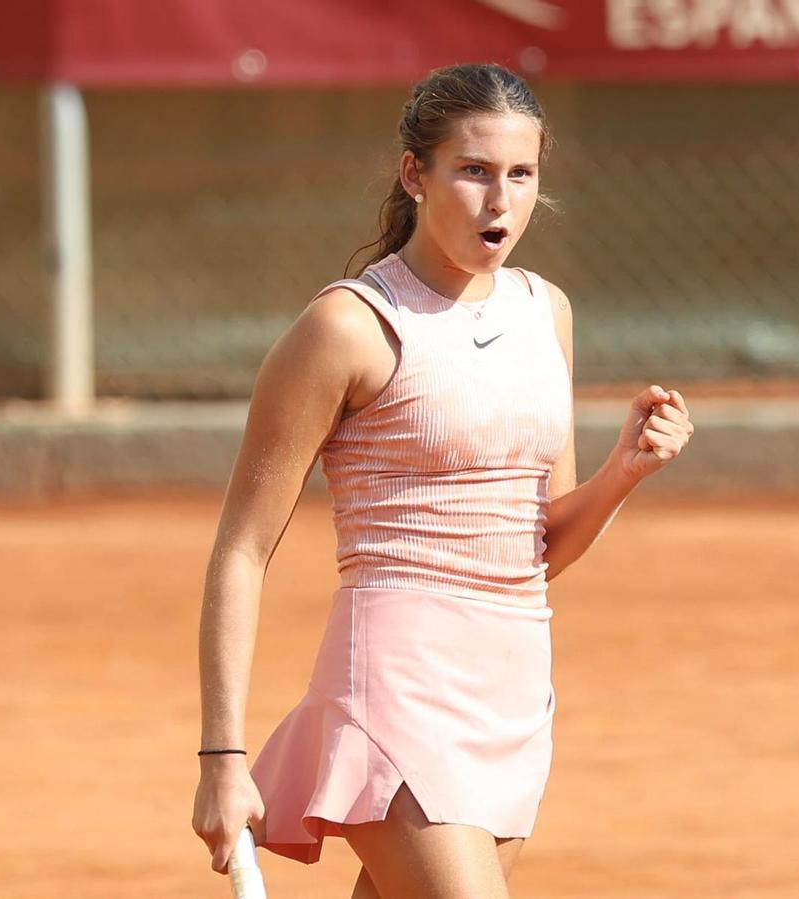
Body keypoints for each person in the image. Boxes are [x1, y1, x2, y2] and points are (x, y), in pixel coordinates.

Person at [192, 62, 694, 898]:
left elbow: (538, 548)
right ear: (413, 174)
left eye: (522, 175)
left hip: (513, 686)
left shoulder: (547, 313)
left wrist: (622, 473)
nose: (501, 201)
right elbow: (242, 548)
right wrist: (222, 755)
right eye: (474, 171)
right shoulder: (347, 327)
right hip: (394, 684)